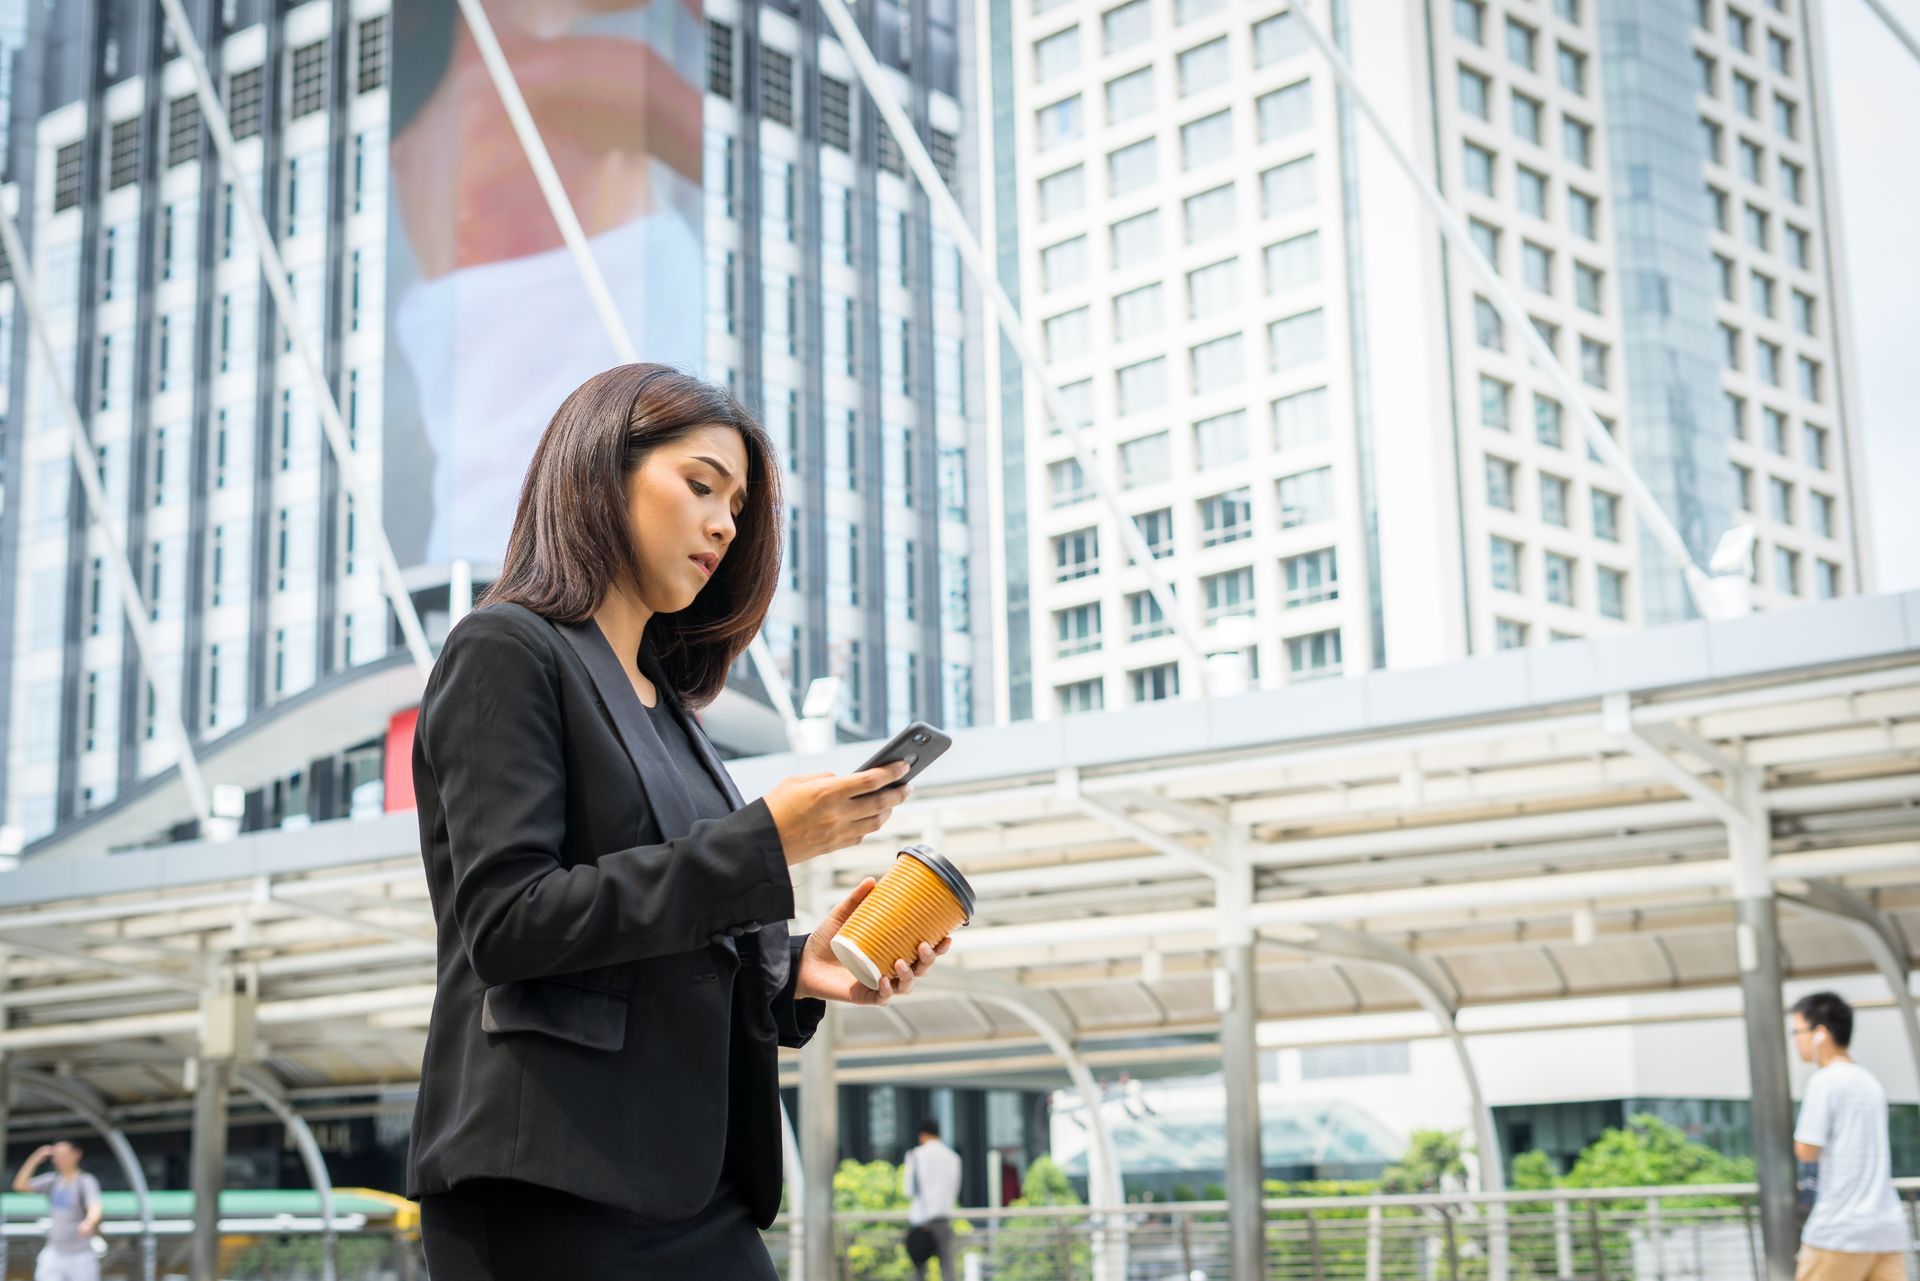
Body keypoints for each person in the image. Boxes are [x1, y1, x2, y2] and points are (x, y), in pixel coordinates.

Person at [407, 364, 954, 1280]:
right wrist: (764, 845)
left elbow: (675, 931)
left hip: (694, 1191)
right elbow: (508, 922)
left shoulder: (675, 720)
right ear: (599, 472)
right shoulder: (506, 648)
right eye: (701, 484)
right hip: (548, 1182)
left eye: (736, 504)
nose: (724, 523)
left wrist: (793, 967)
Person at [1790, 991, 1911, 1281]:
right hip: (1886, 1229)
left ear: (1820, 1033)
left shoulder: (1825, 1081)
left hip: (1840, 1231)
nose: (1796, 1040)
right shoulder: (1869, 1081)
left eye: (1798, 1031)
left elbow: (1806, 1149)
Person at [12, 1141, 103, 1281]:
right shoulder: (52, 1180)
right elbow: (20, 1185)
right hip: (54, 1251)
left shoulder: (85, 1181)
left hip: (80, 1253)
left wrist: (89, 1222)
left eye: (63, 1155)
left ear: (76, 1154)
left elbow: (95, 1206)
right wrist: (35, 1158)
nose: (59, 1159)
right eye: (56, 1156)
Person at [904, 1118, 963, 1281]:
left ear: (922, 1135)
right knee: (947, 1267)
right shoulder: (953, 1157)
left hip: (922, 1220)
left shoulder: (915, 1155)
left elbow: (909, 1190)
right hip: (944, 1219)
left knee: (919, 1269)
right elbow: (955, 1188)